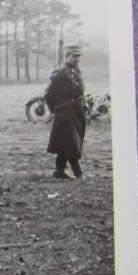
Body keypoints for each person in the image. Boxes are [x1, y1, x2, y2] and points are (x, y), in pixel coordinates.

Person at [44, 44, 86, 179]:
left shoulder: (76, 71)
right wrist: (56, 109)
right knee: (71, 141)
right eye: (74, 56)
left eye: (78, 56)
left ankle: (59, 170)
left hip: (76, 110)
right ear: (67, 56)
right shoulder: (60, 72)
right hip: (65, 111)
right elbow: (49, 94)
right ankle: (78, 172)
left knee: (67, 140)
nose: (77, 59)